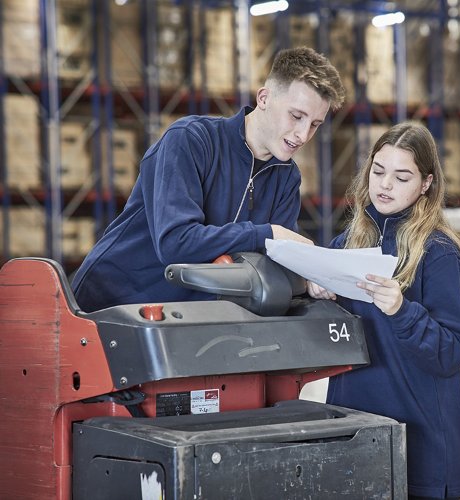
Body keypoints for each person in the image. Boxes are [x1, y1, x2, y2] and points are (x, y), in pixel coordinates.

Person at [72, 46, 345, 312]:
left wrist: (309, 273)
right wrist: (267, 233)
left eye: (314, 125)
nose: (302, 134)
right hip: (112, 306)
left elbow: (276, 258)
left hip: (186, 317)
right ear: (264, 98)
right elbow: (175, 243)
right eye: (296, 116)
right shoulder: (190, 141)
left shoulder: (286, 176)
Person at [308, 122, 460, 499]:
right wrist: (315, 292)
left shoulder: (439, 254)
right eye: (378, 172)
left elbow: (451, 353)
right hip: (357, 437)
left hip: (420, 447)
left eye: (401, 177)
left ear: (426, 184)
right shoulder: (349, 243)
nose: (384, 185)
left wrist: (402, 310)